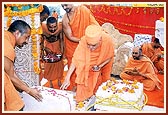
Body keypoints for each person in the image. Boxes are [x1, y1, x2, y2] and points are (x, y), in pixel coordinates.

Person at [60, 24, 115, 102]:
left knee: (103, 83)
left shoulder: (107, 40)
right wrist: (67, 77)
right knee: (84, 80)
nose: (90, 48)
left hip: (105, 62)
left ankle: (99, 98)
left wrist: (100, 66)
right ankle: (85, 99)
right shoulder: (83, 41)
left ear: (99, 41)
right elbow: (76, 59)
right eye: (88, 45)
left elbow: (110, 56)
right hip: (89, 66)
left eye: (93, 45)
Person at [4, 20, 43, 111]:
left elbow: (10, 72)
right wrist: (29, 91)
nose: (26, 41)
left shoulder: (5, 37)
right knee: (17, 107)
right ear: (17, 33)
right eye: (26, 37)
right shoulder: (7, 47)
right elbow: (11, 76)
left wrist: (24, 86)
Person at [61, 4, 99, 91]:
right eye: (62, 6)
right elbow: (70, 36)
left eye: (66, 5)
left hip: (88, 45)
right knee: (74, 69)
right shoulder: (65, 19)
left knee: (87, 67)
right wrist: (83, 41)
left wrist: (92, 39)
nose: (64, 8)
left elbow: (95, 25)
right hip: (73, 47)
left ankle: (86, 88)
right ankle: (75, 90)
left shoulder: (83, 10)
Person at [40, 17, 64, 88]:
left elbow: (62, 39)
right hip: (48, 47)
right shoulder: (43, 29)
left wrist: (62, 51)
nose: (53, 29)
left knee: (59, 65)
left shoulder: (60, 28)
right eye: (50, 27)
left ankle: (59, 80)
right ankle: (50, 82)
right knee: (49, 66)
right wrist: (43, 50)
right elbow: (41, 42)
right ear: (47, 25)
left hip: (57, 47)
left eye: (54, 27)